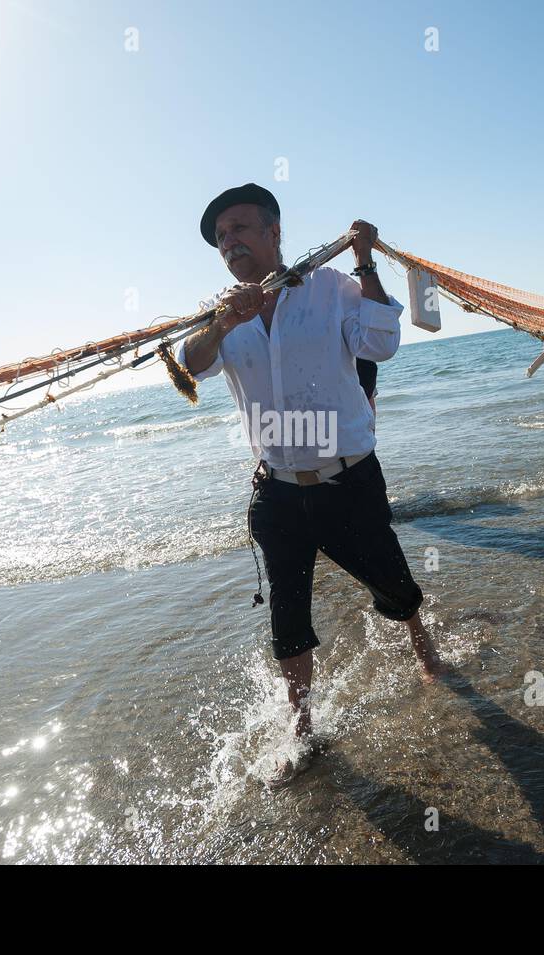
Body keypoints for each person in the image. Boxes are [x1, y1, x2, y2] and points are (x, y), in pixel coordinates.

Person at [178, 183, 442, 782]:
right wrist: (222, 324)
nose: (231, 242)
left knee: (394, 583)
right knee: (287, 612)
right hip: (275, 490)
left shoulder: (332, 288)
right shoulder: (221, 310)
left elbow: (384, 341)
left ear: (274, 232)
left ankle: (423, 648)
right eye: (222, 237)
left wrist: (366, 260)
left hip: (347, 479)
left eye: (241, 228)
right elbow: (191, 363)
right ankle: (301, 725)